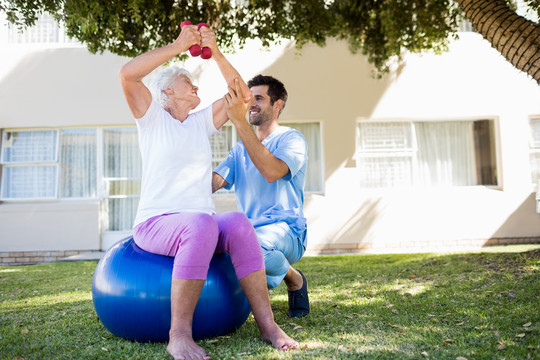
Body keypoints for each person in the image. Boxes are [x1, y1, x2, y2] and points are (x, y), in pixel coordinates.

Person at [119, 24, 298, 360]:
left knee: (239, 224)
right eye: (188, 82)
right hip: (156, 223)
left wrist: (214, 51)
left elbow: (243, 96)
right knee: (202, 224)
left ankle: (268, 325)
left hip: (199, 225)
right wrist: (178, 45)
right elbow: (128, 74)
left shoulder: (200, 122)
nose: (196, 85)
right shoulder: (152, 119)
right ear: (168, 92)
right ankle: (179, 336)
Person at [214, 75, 310, 318]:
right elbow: (215, 181)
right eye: (250, 98)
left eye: (259, 98)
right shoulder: (239, 149)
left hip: (287, 230)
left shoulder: (292, 139)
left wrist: (239, 123)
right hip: (250, 230)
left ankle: (294, 278)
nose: (251, 104)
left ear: (277, 105)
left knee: (252, 246)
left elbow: (272, 171)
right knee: (222, 246)